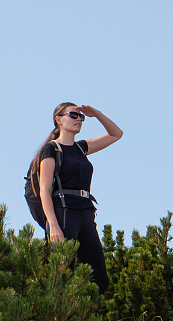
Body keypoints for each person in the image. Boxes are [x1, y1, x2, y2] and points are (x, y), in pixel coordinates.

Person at [30, 102, 122, 293]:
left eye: (81, 117)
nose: (79, 119)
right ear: (58, 120)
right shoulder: (52, 149)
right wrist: (53, 225)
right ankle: (59, 320)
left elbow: (116, 134)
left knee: (99, 278)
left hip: (85, 213)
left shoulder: (81, 148)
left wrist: (96, 113)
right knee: (63, 273)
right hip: (63, 212)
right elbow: (44, 190)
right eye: (73, 115)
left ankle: (89, 319)